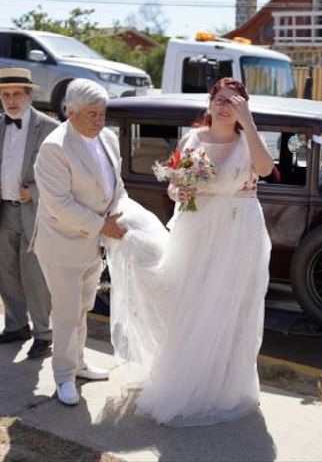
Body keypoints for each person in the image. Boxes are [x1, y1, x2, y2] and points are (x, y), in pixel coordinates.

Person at [106, 77, 274, 426]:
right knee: (194, 303)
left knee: (230, 307)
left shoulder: (249, 141)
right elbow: (174, 184)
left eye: (234, 102)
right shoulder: (193, 138)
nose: (225, 106)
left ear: (244, 107)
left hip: (238, 231)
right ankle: (189, 381)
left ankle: (227, 389)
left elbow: (263, 168)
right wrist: (176, 193)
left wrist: (251, 124)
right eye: (220, 99)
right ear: (210, 103)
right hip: (197, 230)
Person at [32, 78, 127, 406]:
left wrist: (121, 215)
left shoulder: (109, 139)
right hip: (62, 244)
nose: (100, 120)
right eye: (92, 114)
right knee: (66, 314)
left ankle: (79, 364)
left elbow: (118, 185)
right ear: (70, 113)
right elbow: (60, 205)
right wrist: (104, 226)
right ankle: (63, 377)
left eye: (103, 113)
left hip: (92, 245)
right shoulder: (54, 147)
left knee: (83, 308)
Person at [0, 67, 58, 359]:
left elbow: (60, 174)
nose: (10, 101)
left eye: (16, 94)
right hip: (4, 211)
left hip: (35, 213)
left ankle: (43, 333)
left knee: (35, 276)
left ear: (29, 95)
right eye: (5, 95)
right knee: (8, 273)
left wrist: (35, 191)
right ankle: (15, 326)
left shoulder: (49, 127)